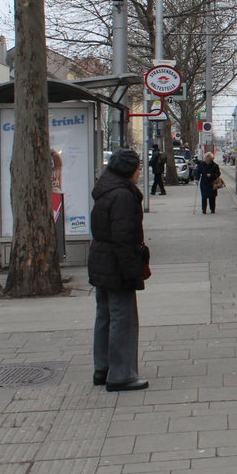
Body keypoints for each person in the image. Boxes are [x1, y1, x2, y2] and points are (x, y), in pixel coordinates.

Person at [87, 148, 150, 392]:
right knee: (123, 319)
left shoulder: (106, 189)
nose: (138, 172)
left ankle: (102, 368)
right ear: (129, 170)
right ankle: (121, 375)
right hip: (116, 264)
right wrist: (132, 271)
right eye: (138, 168)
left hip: (101, 261)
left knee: (105, 316)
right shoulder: (123, 195)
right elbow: (123, 237)